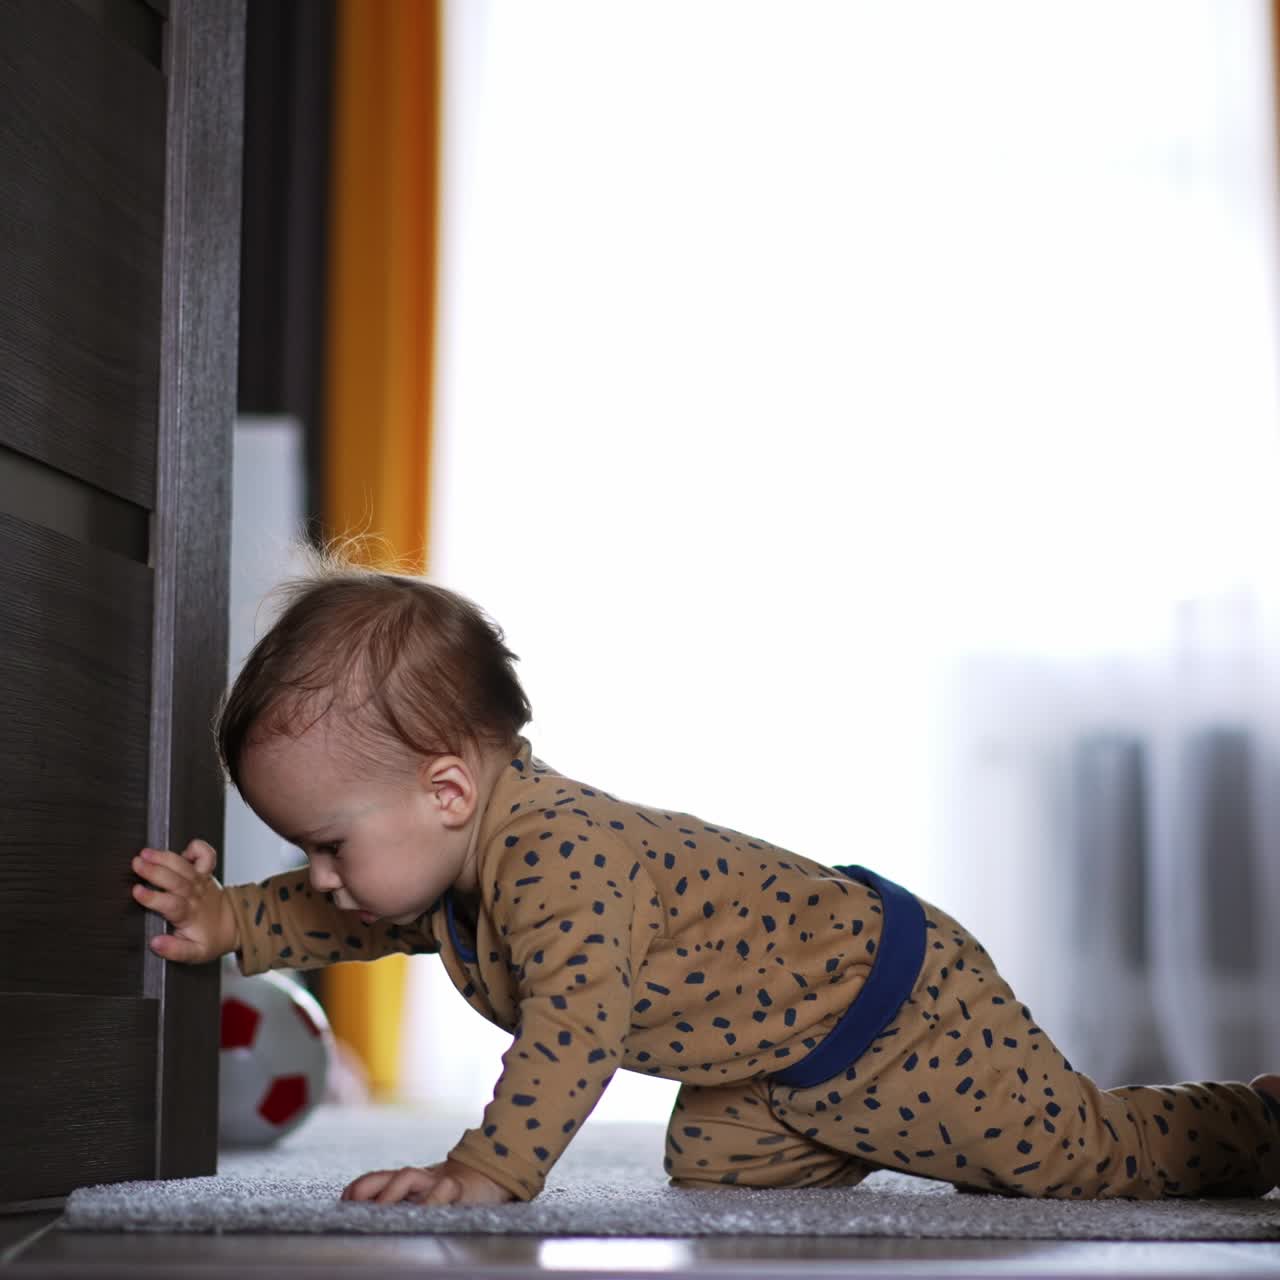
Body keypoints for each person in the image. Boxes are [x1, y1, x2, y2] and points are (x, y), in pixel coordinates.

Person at [130, 549, 1280, 1207]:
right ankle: (857, 1130)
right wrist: (227, 918)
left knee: (1066, 1160)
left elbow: (575, 1028)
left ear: (445, 789)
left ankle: (1255, 1116)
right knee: (715, 1175)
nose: (320, 875)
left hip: (890, 1002)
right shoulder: (446, 860)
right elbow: (347, 920)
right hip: (769, 1065)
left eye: (328, 843)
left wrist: (488, 1167)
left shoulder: (557, 855)